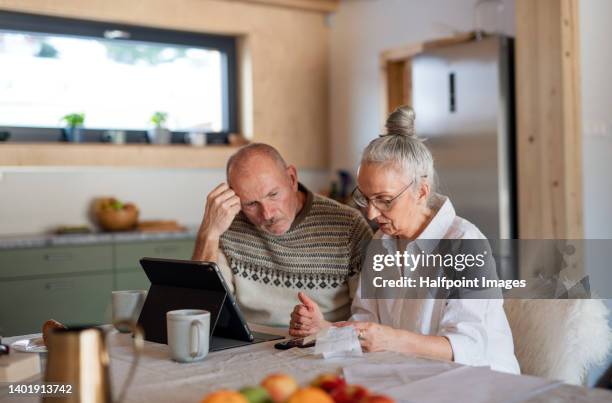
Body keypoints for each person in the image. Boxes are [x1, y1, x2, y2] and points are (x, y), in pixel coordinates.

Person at [289, 106, 520, 374]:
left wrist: (391, 340)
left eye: (384, 200)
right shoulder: (381, 243)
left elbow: (467, 347)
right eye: (365, 198)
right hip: (412, 376)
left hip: (482, 385)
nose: (372, 214)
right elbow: (366, 325)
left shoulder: (465, 243)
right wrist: (324, 329)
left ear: (421, 191)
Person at [192, 143, 372, 327]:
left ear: (292, 179)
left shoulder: (349, 225)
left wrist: (325, 329)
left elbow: (370, 320)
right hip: (249, 348)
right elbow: (202, 311)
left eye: (273, 194)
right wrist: (209, 233)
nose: (267, 214)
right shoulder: (227, 224)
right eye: (251, 204)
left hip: (324, 346)